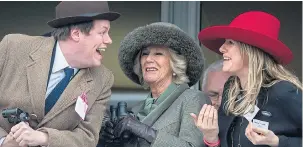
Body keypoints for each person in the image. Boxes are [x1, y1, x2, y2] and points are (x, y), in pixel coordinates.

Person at [0, 1, 120, 147]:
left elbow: (87, 138)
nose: (109, 40)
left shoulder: (103, 79)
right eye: (102, 32)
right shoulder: (12, 47)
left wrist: (43, 138)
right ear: (76, 33)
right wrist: (4, 141)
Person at [194, 11, 302, 147]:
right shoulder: (231, 90)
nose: (221, 48)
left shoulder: (283, 91)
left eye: (230, 42)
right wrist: (210, 137)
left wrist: (277, 142)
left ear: (250, 50)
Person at [101, 22, 210, 147]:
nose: (148, 59)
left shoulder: (192, 99)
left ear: (175, 63)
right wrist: (109, 140)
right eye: (145, 54)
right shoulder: (136, 109)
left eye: (158, 54)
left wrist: (147, 132)